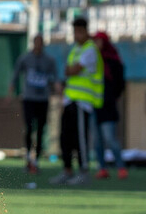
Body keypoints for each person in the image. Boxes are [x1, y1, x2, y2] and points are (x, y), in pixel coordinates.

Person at [49, 17, 104, 186]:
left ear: (87, 31)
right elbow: (68, 71)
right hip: (70, 100)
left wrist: (71, 71)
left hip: (83, 102)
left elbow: (73, 70)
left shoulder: (90, 50)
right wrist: (70, 71)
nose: (76, 34)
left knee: (80, 138)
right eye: (75, 31)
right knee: (65, 137)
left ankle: (84, 172)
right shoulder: (76, 49)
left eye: (80, 31)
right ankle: (67, 170)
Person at [9, 34, 58, 174]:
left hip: (42, 99)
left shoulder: (49, 60)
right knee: (29, 128)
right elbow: (16, 72)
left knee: (41, 130)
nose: (38, 45)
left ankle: (37, 160)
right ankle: (28, 159)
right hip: (29, 98)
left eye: (40, 42)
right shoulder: (25, 58)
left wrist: (56, 86)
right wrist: (12, 85)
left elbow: (55, 77)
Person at [91, 31, 128, 180]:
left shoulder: (113, 61)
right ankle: (102, 168)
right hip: (94, 104)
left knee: (110, 138)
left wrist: (112, 97)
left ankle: (121, 167)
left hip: (108, 106)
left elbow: (120, 84)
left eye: (99, 41)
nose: (97, 44)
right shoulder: (91, 60)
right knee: (96, 140)